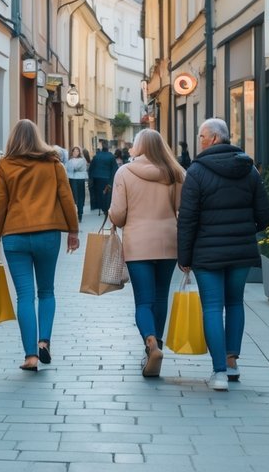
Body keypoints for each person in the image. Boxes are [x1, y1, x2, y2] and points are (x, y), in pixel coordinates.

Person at [177, 118, 269, 391]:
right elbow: (265, 214)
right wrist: (247, 229)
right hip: (240, 251)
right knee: (235, 304)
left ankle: (218, 372)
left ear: (215, 138)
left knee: (212, 308)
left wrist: (184, 257)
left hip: (207, 255)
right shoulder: (249, 169)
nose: (200, 141)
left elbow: (188, 219)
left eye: (202, 136)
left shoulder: (196, 172)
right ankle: (232, 363)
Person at [0, 119, 80, 371]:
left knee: (25, 296)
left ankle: (30, 357)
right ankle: (44, 342)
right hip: (48, 234)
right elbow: (67, 199)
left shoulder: (5, 165)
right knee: (46, 291)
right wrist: (73, 230)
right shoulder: (53, 164)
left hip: (15, 236)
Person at [109, 129, 183, 378]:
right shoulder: (176, 173)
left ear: (139, 147)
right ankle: (157, 344)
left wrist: (112, 215)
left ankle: (150, 344)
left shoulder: (125, 172)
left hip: (138, 244)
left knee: (143, 300)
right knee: (161, 297)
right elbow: (182, 210)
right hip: (168, 242)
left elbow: (118, 215)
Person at [88, 140, 118, 215]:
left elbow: (91, 167)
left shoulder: (96, 156)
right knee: (107, 194)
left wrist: (91, 177)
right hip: (107, 178)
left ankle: (101, 207)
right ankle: (106, 208)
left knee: (99, 193)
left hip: (97, 177)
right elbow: (115, 168)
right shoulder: (111, 156)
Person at [65, 146, 89, 220]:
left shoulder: (82, 160)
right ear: (72, 152)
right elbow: (66, 168)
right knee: (74, 196)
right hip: (72, 179)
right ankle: (74, 212)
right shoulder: (69, 160)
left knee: (81, 196)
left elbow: (76, 167)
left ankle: (80, 212)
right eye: (74, 151)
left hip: (80, 179)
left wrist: (71, 167)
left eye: (77, 151)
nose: (75, 152)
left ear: (79, 152)